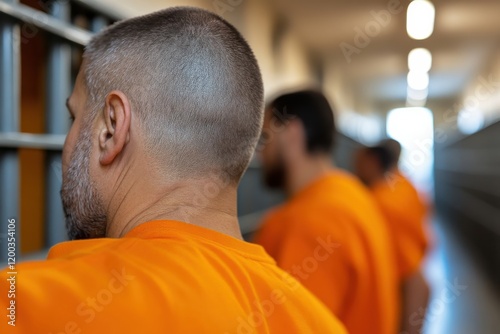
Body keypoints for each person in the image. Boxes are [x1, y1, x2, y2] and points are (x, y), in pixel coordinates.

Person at [0, 8, 348, 334]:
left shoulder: (28, 305)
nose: (69, 138)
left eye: (75, 118)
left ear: (111, 128)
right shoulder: (316, 321)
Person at [254, 90, 399, 334]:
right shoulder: (354, 193)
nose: (261, 153)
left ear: (292, 133)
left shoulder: (307, 220)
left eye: (265, 138)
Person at [354, 144, 430, 334]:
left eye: (360, 163)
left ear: (373, 163)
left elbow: (414, 279)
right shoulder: (403, 185)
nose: (355, 169)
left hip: (400, 293)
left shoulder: (381, 203)